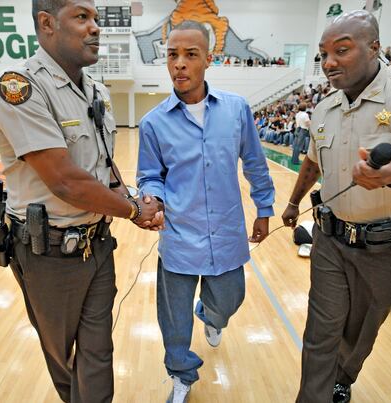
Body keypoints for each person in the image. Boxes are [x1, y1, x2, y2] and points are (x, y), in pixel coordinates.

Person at [0, 1, 163, 402]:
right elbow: (64, 180)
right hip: (49, 255)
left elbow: (102, 163)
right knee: (63, 357)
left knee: (98, 351)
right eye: (82, 17)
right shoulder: (19, 88)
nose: (95, 27)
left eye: (96, 19)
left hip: (97, 243)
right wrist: (135, 211)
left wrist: (131, 197)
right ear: (46, 23)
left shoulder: (95, 89)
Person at [281, 11, 391, 403]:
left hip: (388, 248)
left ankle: (344, 376)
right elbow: (311, 160)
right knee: (321, 330)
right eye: (323, 55)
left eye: (341, 51)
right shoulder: (324, 108)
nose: (329, 63)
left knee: (359, 332)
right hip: (331, 239)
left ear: (375, 47)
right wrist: (293, 202)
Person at [137, 21, 275, 403]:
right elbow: (150, 176)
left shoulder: (236, 110)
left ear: (208, 60)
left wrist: (264, 207)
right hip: (179, 235)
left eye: (190, 55)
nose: (179, 64)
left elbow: (255, 161)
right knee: (174, 321)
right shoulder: (153, 124)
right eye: (172, 55)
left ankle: (212, 316)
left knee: (231, 298)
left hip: (227, 233)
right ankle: (182, 374)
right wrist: (152, 199)